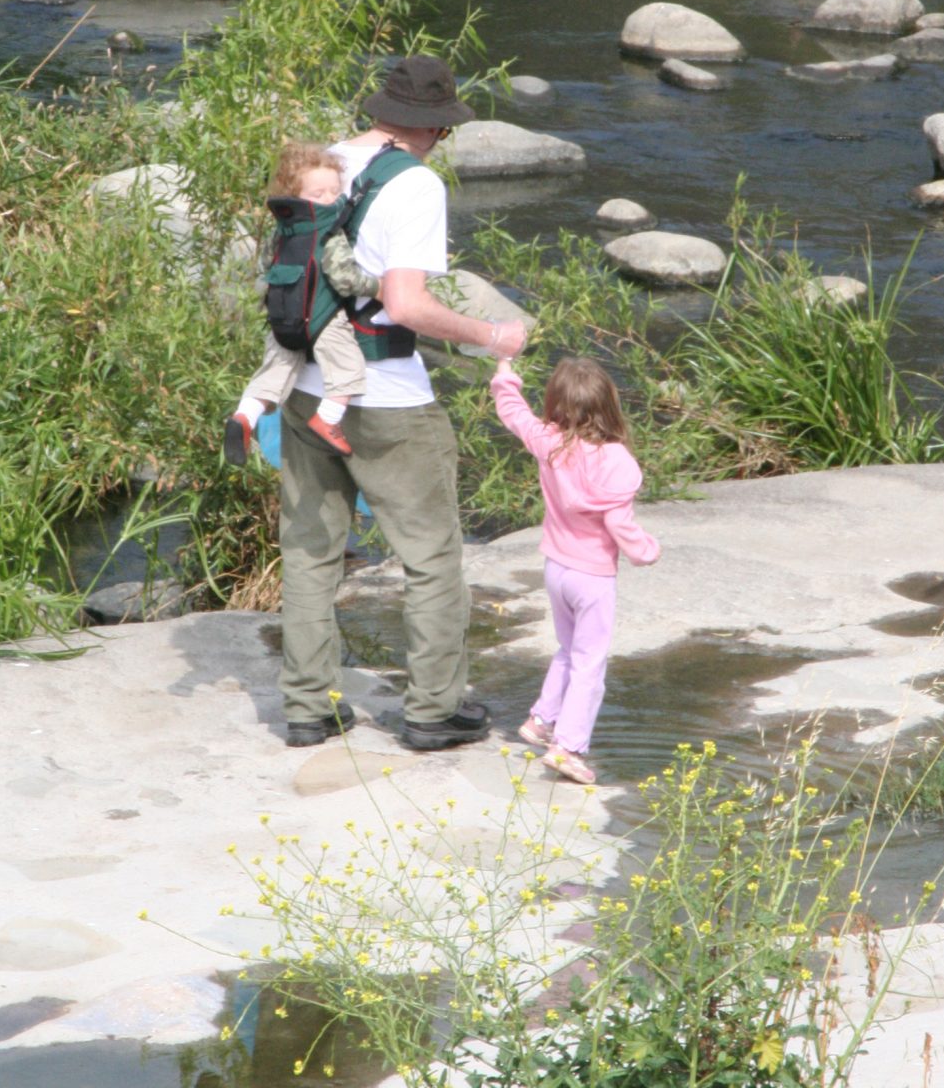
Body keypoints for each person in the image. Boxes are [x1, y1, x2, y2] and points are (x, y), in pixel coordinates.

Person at [279, 55, 528, 751]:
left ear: (381, 109)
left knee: (310, 553)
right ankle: (432, 712)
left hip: (307, 387)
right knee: (431, 557)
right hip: (387, 399)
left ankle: (307, 709)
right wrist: (491, 335)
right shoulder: (415, 183)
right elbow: (406, 304)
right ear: (439, 127)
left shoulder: (325, 162)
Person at [489, 354, 660, 785]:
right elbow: (619, 524)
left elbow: (514, 413)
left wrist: (505, 373)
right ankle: (568, 748)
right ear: (609, 405)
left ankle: (542, 720)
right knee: (589, 664)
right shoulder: (616, 460)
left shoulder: (548, 442)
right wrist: (645, 551)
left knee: (567, 650)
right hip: (593, 577)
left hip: (556, 570)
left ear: (556, 403)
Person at [223, 141, 379, 463]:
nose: (329, 199)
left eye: (334, 191)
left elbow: (267, 264)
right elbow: (345, 279)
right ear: (296, 195)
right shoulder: (329, 232)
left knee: (274, 373)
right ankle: (328, 419)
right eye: (318, 193)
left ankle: (244, 417)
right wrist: (377, 287)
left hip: (282, 317)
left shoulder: (283, 229)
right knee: (348, 368)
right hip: (323, 318)